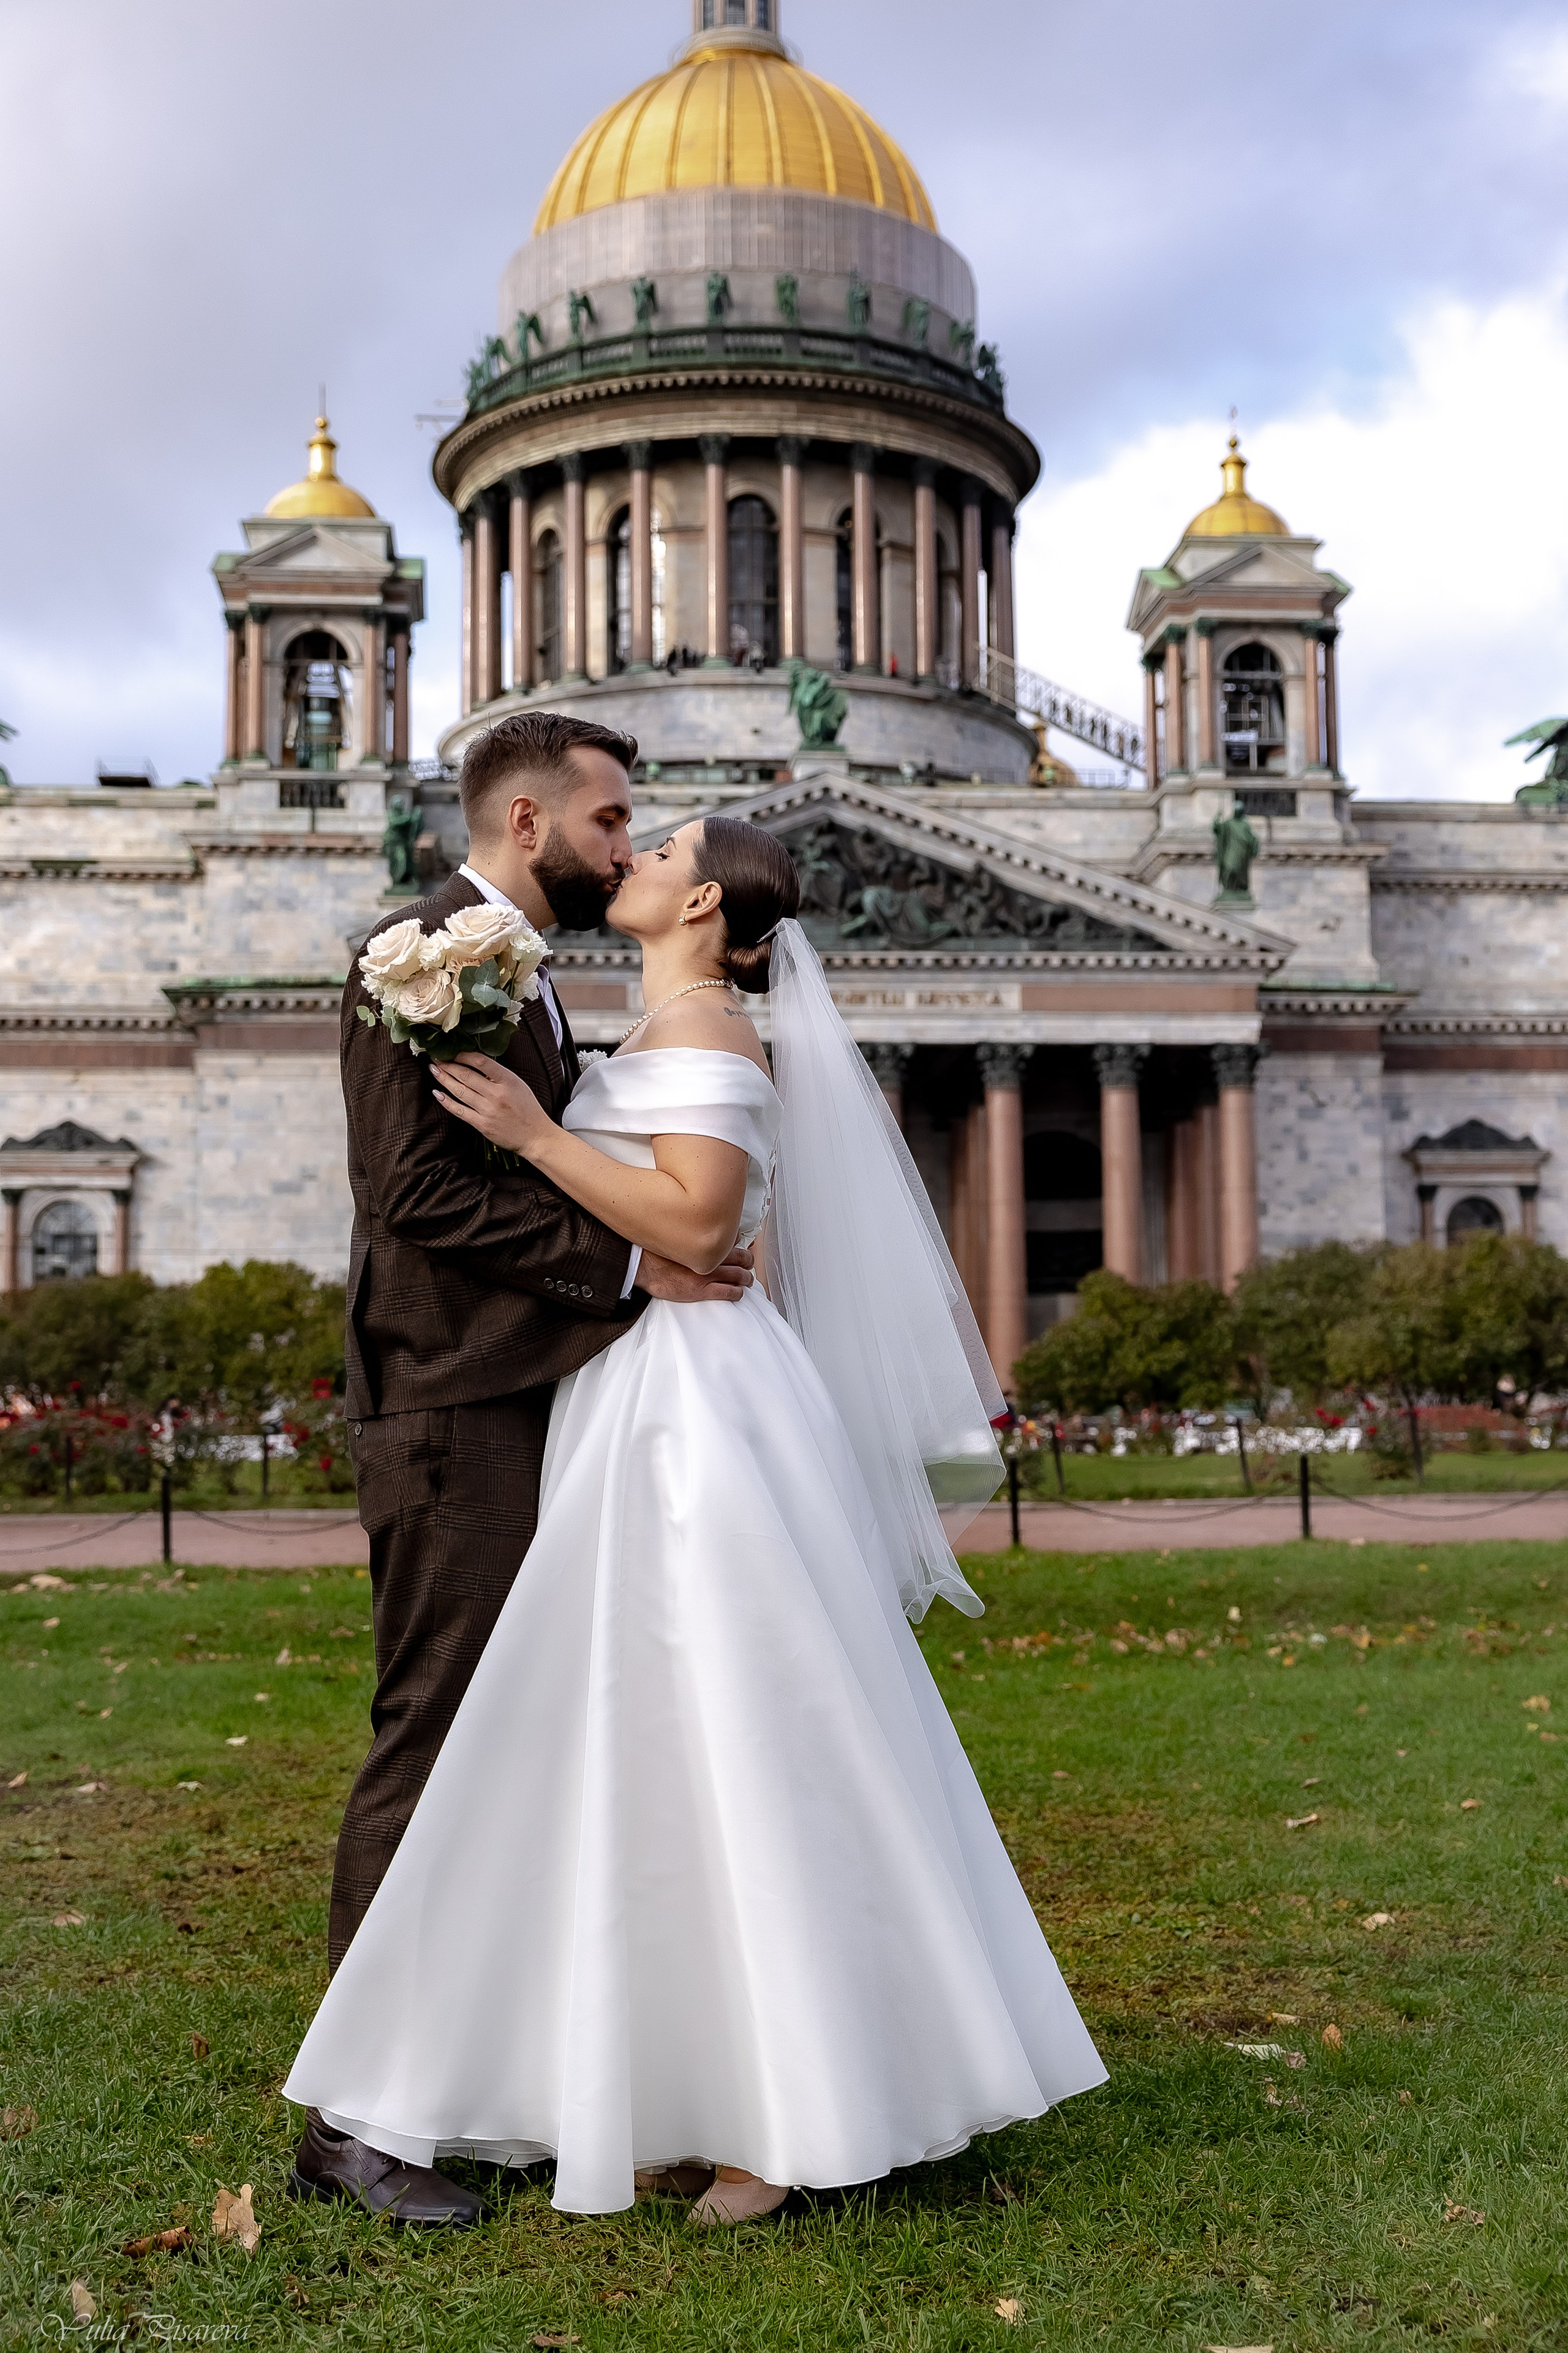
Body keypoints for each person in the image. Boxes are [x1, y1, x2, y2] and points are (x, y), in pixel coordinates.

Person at [285, 814, 1106, 2226]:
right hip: (644, 1395)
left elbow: (701, 1229)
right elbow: (734, 1237)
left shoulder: (714, 1032)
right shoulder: (668, 1025)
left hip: (692, 1420)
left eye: (652, 844)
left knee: (736, 1729)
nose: (629, 857)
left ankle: (779, 2120)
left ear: (704, 897)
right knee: (652, 1745)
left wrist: (541, 1132)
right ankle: (696, 2082)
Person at [290, 714, 754, 2229]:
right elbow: (411, 1187)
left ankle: (486, 2078)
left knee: (521, 1746)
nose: (630, 849)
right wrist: (630, 1266)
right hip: (450, 1401)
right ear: (523, 816)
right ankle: (354, 2119)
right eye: (613, 822)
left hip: (524, 1393)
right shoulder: (418, 949)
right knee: (434, 1733)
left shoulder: (522, 971)